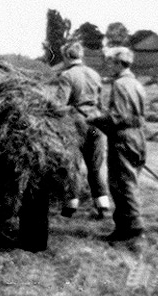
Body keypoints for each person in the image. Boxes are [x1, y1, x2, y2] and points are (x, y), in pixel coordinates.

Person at [89, 46, 147, 242]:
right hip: (138, 135)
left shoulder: (120, 85)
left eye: (110, 62)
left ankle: (130, 227)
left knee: (122, 183)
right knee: (130, 180)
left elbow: (118, 117)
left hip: (124, 137)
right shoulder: (136, 83)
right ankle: (130, 224)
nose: (108, 65)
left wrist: (96, 120)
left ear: (117, 63)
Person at [54, 41, 111, 219]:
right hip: (96, 123)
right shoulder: (94, 74)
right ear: (80, 56)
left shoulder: (67, 75)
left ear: (66, 56)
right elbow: (101, 102)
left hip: (77, 124)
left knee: (74, 165)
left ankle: (71, 205)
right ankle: (102, 204)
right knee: (97, 164)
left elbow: (58, 105)